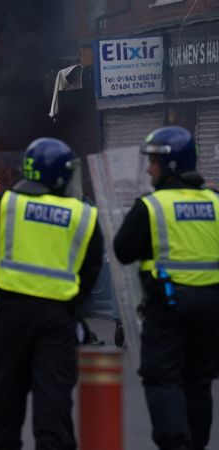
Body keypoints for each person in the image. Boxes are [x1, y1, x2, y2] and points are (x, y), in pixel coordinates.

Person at [0, 138, 104, 450]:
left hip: (11, 315)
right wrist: (73, 299)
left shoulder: (6, 204)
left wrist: (5, 275)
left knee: (4, 405)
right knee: (54, 406)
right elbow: (91, 266)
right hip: (58, 319)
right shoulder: (81, 214)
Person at [114, 126, 219, 450]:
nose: (149, 168)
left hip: (169, 306)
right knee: (198, 381)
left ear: (171, 164)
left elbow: (123, 250)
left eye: (155, 161)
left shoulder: (152, 206)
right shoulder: (215, 202)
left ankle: (177, 445)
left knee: (163, 378)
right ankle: (196, 444)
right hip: (212, 307)